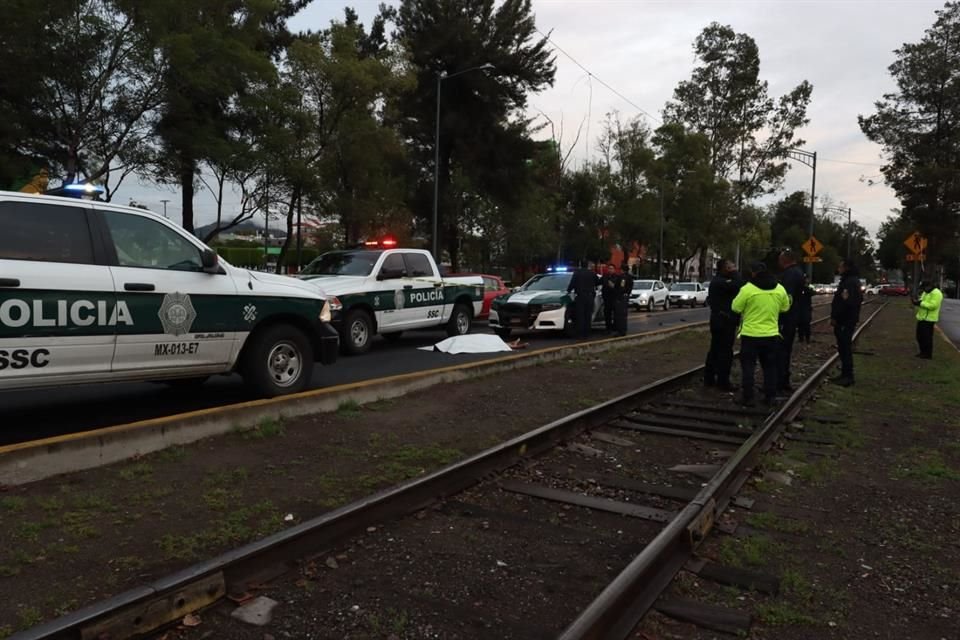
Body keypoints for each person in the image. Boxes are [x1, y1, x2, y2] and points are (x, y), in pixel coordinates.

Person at [731, 261, 790, 407]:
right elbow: (785, 308)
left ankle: (748, 397)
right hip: (771, 335)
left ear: (753, 273)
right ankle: (770, 396)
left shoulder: (748, 289)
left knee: (748, 367)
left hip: (750, 335)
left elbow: (735, 307)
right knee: (770, 367)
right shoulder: (779, 289)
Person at [704, 258, 743, 391]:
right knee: (725, 352)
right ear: (725, 268)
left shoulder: (721, 281)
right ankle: (722, 381)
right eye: (731, 266)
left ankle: (709, 379)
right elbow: (738, 285)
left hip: (721, 320)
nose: (734, 268)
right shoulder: (720, 282)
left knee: (715, 350)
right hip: (723, 321)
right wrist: (735, 273)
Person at [830, 259, 863, 386]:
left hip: (845, 320)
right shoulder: (849, 281)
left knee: (845, 347)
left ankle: (848, 376)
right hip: (846, 319)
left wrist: (836, 317)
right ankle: (845, 374)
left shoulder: (849, 282)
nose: (839, 269)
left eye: (841, 266)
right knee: (843, 348)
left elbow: (845, 302)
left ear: (846, 268)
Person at [777, 249, 805, 392]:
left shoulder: (790, 274)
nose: (778, 262)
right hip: (793, 315)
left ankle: (780, 380)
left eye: (780, 259)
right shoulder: (798, 272)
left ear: (785, 260)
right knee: (785, 350)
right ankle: (783, 379)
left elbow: (787, 296)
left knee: (781, 350)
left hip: (786, 317)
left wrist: (782, 314)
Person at [566, 261, 600, 339]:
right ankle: (587, 333)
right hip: (590, 296)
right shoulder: (592, 273)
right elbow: (597, 282)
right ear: (588, 265)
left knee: (580, 315)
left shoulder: (577, 273)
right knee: (588, 315)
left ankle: (580, 334)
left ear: (580, 265)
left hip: (580, 296)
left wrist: (568, 291)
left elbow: (572, 283)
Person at [911, 280, 943, 359]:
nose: (923, 290)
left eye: (924, 288)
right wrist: (916, 302)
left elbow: (933, 306)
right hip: (922, 318)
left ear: (929, 286)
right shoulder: (926, 292)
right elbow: (922, 301)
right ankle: (922, 352)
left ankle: (927, 354)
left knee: (927, 338)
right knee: (919, 337)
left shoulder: (937, 293)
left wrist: (920, 303)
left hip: (929, 319)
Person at [613, 262, 633, 336]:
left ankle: (621, 331)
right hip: (625, 297)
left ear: (622, 270)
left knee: (620, 315)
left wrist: (618, 293)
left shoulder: (623, 277)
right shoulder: (630, 277)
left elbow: (622, 287)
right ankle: (623, 330)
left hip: (621, 298)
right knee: (624, 315)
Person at [600, 263, 619, 333]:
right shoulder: (605, 276)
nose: (610, 270)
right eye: (609, 268)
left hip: (614, 298)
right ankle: (608, 328)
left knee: (615, 314)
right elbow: (598, 282)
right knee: (607, 314)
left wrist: (613, 286)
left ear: (614, 270)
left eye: (611, 269)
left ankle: (615, 327)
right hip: (606, 298)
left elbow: (619, 288)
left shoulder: (617, 277)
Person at [797, 275, 814, 343]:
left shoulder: (808, 288)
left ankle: (807, 338)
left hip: (806, 308)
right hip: (801, 309)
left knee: (806, 325)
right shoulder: (800, 288)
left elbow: (812, 293)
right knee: (801, 325)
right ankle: (801, 338)